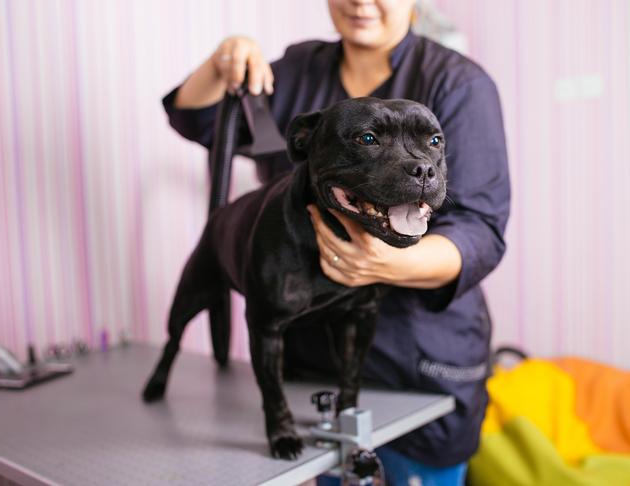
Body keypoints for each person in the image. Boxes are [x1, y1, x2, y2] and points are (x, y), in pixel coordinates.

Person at [163, 0, 510, 483]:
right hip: (312, 368)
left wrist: (376, 262)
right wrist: (223, 60)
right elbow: (200, 121)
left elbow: (481, 230)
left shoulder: (459, 84)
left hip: (418, 363)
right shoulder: (298, 71)